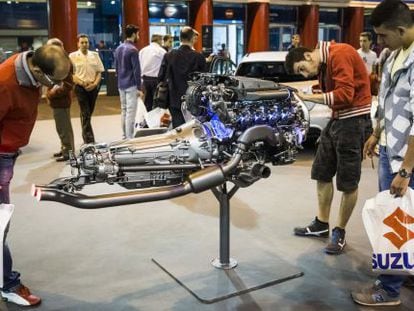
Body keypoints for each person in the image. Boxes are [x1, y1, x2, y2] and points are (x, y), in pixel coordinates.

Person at [351, 0, 414, 306]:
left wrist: (405, 170)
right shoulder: (392, 55)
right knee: (399, 217)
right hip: (390, 147)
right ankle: (403, 273)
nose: (378, 43)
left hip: (407, 158)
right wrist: (377, 133)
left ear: (401, 29)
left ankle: (388, 290)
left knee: (396, 221)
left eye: (383, 36)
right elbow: (386, 99)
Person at [284, 41, 372, 255]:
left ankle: (339, 232)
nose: (304, 74)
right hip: (337, 120)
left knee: (348, 181)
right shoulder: (324, 63)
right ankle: (321, 224)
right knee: (321, 172)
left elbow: (344, 95)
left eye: (302, 69)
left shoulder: (339, 54)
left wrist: (308, 96)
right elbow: (334, 92)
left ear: (307, 56)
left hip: (354, 121)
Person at [0, 44, 70, 306]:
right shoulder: (6, 82)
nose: (54, 86)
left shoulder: (32, 68)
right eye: (51, 81)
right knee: (0, 226)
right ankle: (8, 284)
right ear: (37, 70)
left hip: (9, 152)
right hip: (1, 155)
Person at [157, 26, 206, 128]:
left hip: (173, 99)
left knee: (178, 127)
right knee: (193, 127)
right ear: (193, 39)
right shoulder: (199, 57)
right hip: (193, 99)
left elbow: (161, 76)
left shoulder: (169, 55)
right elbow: (204, 80)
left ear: (180, 39)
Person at [69, 34, 104, 144]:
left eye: (86, 42)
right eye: (82, 42)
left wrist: (95, 84)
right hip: (80, 87)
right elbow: (71, 74)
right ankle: (89, 140)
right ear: (78, 44)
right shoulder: (72, 56)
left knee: (88, 113)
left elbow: (99, 72)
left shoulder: (95, 55)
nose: (84, 44)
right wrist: (82, 83)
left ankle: (86, 136)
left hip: (93, 88)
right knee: (86, 113)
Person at [46, 38, 75, 162]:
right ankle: (65, 148)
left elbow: (68, 85)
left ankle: (68, 152)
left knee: (64, 128)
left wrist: (52, 93)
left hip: (61, 100)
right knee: (61, 127)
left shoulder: (64, 63)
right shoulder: (59, 61)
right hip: (58, 100)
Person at [114, 24, 142, 139]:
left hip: (121, 83)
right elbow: (136, 70)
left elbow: (116, 67)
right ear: (134, 34)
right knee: (131, 112)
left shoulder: (118, 48)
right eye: (138, 34)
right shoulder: (133, 50)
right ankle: (130, 138)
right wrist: (139, 87)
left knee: (124, 110)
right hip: (131, 84)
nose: (138, 36)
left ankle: (125, 135)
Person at [139, 34, 166, 112]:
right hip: (156, 80)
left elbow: (140, 65)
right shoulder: (161, 51)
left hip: (145, 79)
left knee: (147, 101)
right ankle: (155, 121)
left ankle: (147, 121)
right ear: (159, 40)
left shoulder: (142, 50)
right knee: (157, 102)